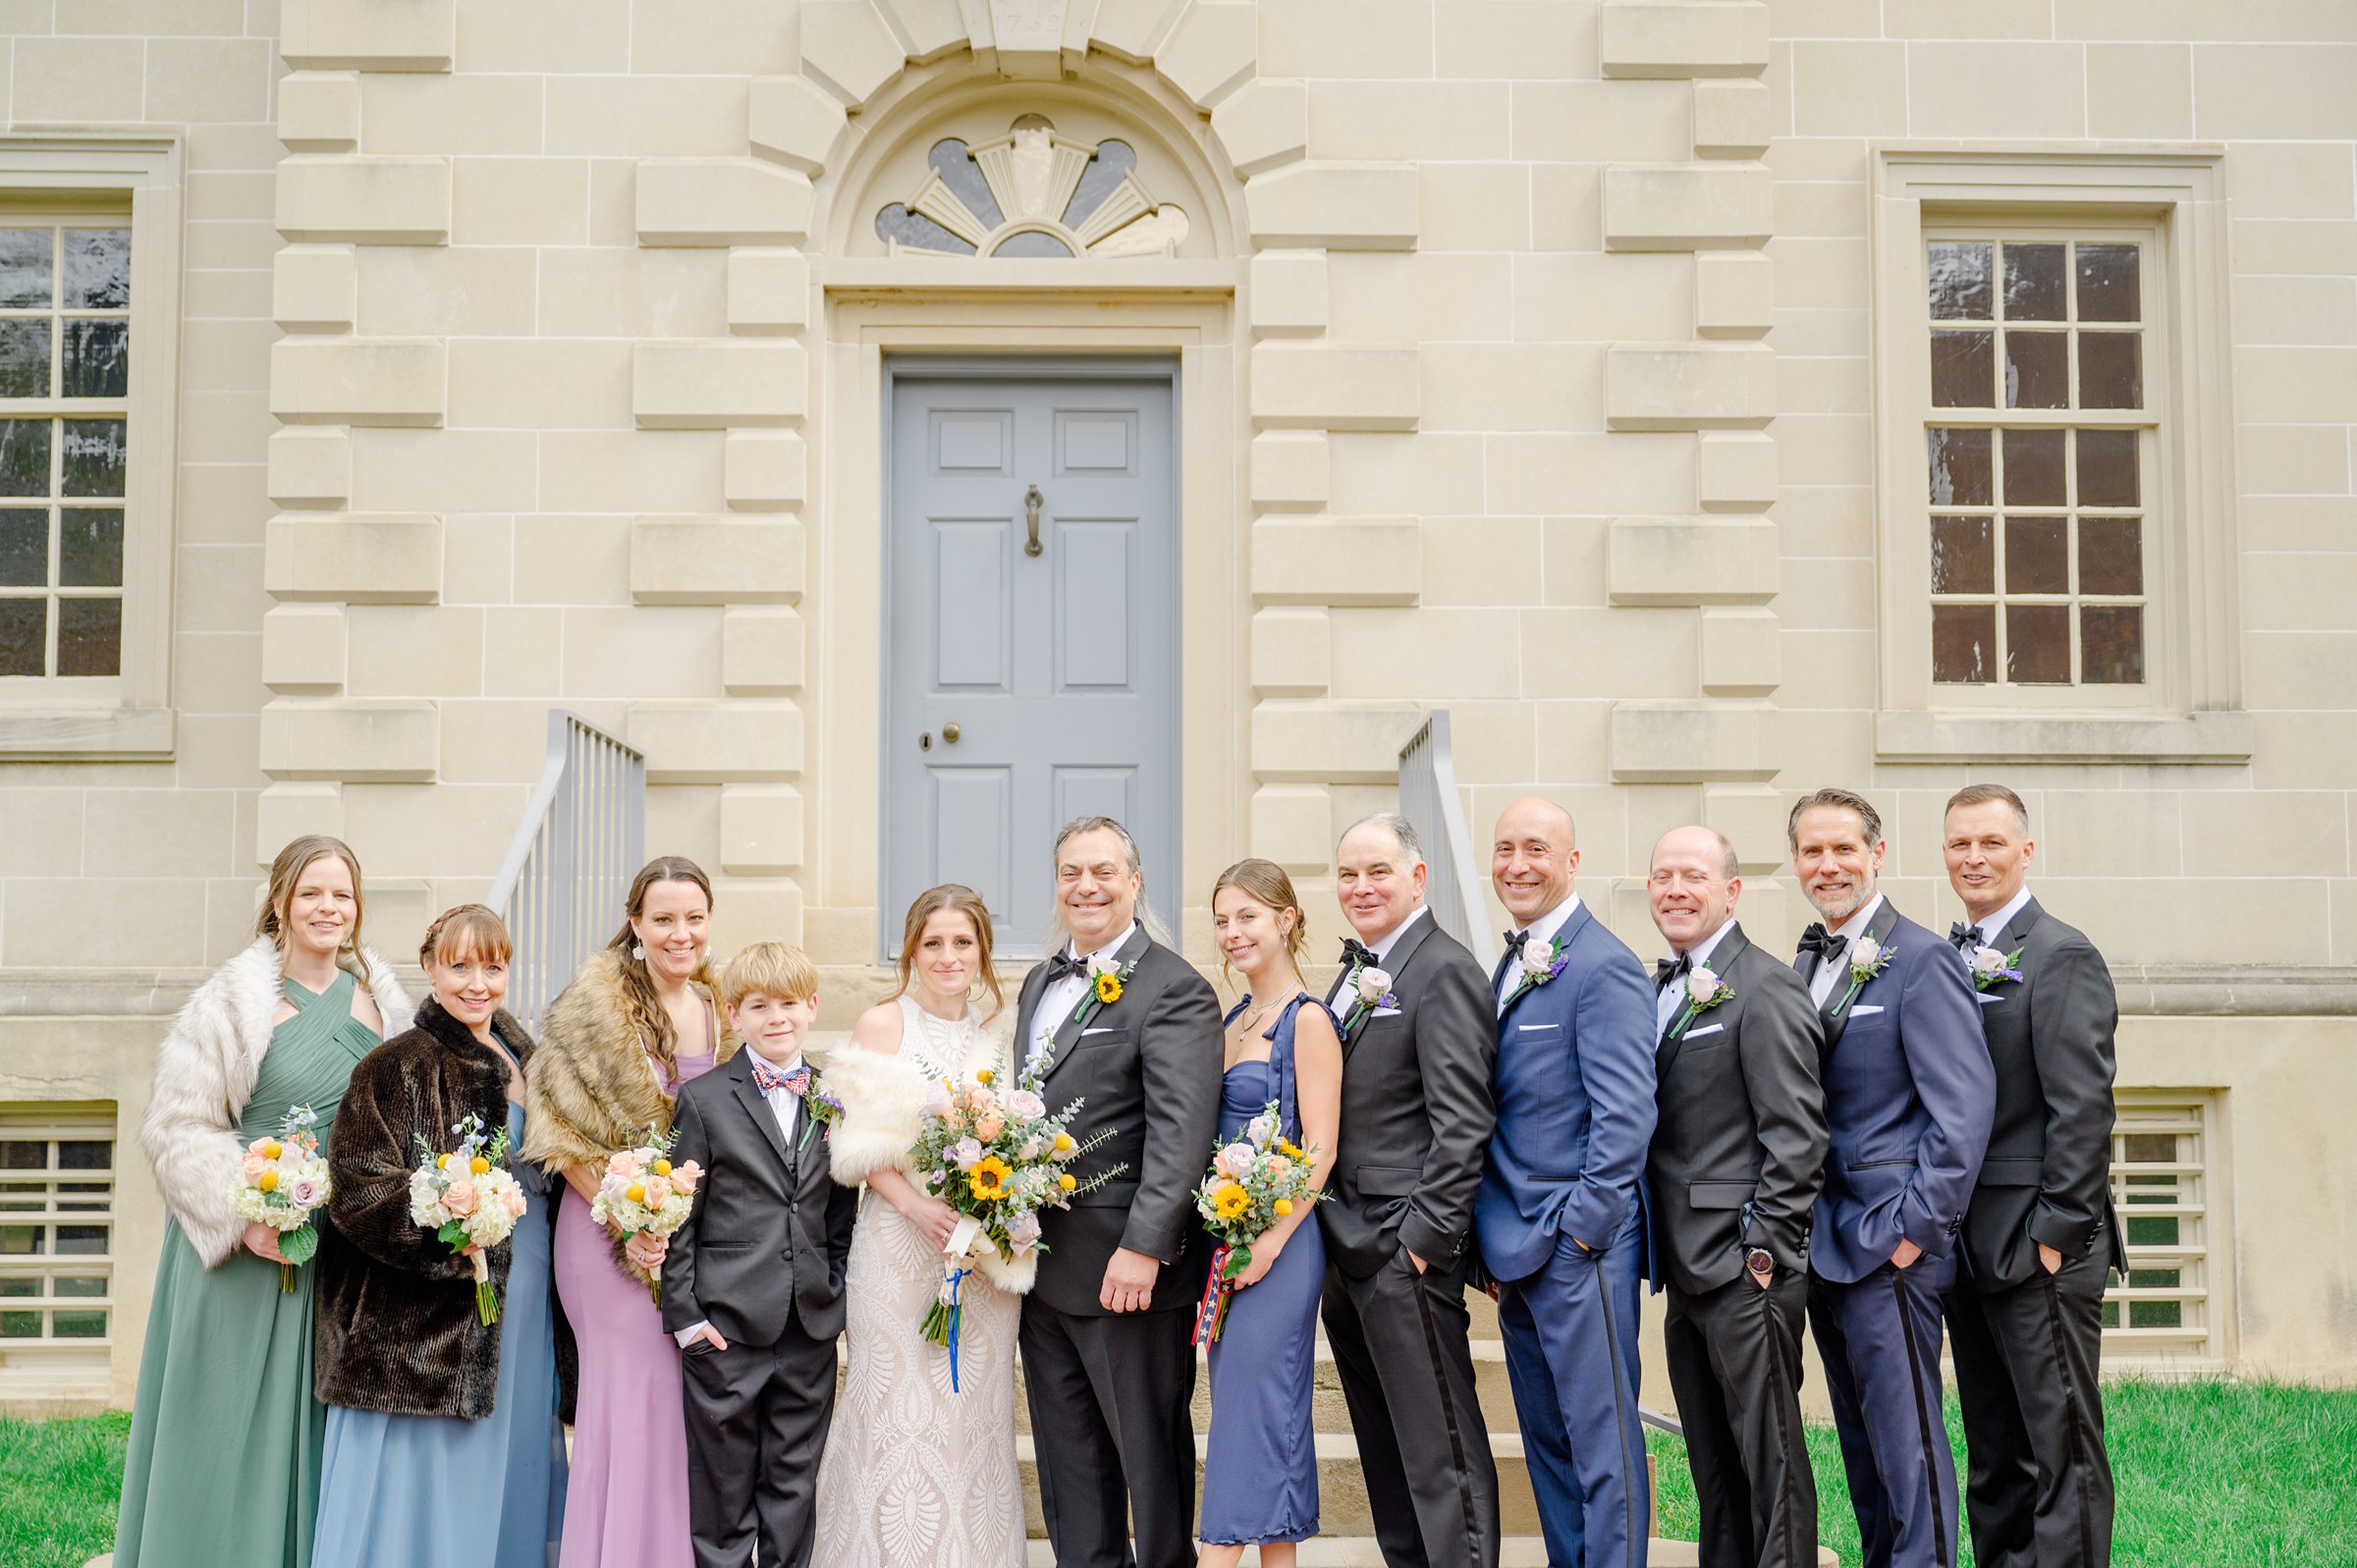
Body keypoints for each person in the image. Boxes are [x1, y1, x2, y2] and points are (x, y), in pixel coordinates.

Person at [114, 836, 410, 1568]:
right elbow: (178, 1127)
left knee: (320, 1428)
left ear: (358, 907)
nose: (327, 907)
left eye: (341, 894)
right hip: (247, 1247)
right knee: (224, 1426)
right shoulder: (229, 1003)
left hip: (338, 1254)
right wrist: (246, 1213)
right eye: (311, 892)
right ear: (280, 900)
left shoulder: (383, 1005)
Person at [310, 904, 569, 1568]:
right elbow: (358, 1186)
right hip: (424, 1318)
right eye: (459, 965)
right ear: (428, 967)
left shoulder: (529, 1059)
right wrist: (445, 1233)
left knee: (512, 1444)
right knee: (432, 1470)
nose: (477, 982)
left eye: (493, 965)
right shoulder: (398, 1063)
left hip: (528, 1285)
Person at [1788, 787, 1994, 1568]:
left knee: (1909, 1454)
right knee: (1864, 1452)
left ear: (1876, 853)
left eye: (1844, 849)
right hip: (1824, 1245)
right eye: (1813, 850)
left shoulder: (1922, 958)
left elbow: (1963, 1112)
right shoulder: (1805, 959)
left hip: (1889, 1247)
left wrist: (1914, 1233)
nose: (1829, 864)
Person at [1013, 815, 1222, 1568]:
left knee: (1148, 1463)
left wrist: (1144, 1246)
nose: (1086, 885)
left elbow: (1182, 1131)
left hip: (1127, 1274)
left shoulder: (1174, 987)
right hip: (1044, 1269)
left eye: (1103, 871)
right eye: (1071, 871)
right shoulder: (1039, 980)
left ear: (1134, 883)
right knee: (1071, 1469)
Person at [524, 856, 736, 1568]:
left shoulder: (719, 1005)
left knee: (679, 1412)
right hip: (605, 1237)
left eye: (694, 917)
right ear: (636, 922)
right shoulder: (594, 1009)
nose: (682, 933)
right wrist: (630, 1218)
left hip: (694, 1242)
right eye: (665, 918)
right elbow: (557, 1129)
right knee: (630, 1407)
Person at [1941, 784, 2125, 1568]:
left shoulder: (2061, 953)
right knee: (1995, 1453)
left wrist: (2054, 1237)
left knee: (2063, 1453)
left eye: (1989, 842)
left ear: (2026, 849)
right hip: (1969, 1246)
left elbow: (2082, 1111)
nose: (1973, 857)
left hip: (2038, 1246)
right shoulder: (1946, 955)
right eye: (1959, 844)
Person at [814, 886, 1025, 1568]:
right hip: (899, 1249)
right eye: (932, 942)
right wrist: (917, 1206)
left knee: (972, 1415)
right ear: (911, 950)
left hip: (981, 1254)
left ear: (983, 951)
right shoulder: (883, 1023)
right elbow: (856, 1146)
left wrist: (991, 1212)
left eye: (962, 942)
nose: (947, 956)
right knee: (895, 1411)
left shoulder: (997, 1033)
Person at [1474, 798, 1658, 1568]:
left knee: (1603, 1442)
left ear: (1572, 861)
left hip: (1579, 1246)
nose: (1518, 864)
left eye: (1537, 849)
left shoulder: (1604, 964)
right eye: (1506, 848)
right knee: (1547, 1443)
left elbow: (1625, 1116)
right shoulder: (1511, 959)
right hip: (1515, 1245)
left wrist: (1583, 1230)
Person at [1317, 813, 1501, 1568]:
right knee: (1386, 1453)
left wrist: (1424, 1243)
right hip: (1344, 1248)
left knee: (1440, 1453)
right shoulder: (1357, 969)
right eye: (1349, 874)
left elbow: (1464, 1121)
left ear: (1418, 876)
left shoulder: (1444, 968)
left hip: (1403, 1248)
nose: (1361, 887)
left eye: (1378, 871)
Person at [1644, 827, 1828, 1568]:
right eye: (1662, 876)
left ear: (1732, 889)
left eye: (1693, 874)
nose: (1675, 888)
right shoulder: (1667, 986)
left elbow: (1798, 1134)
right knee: (1714, 1469)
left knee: (1772, 1465)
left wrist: (1763, 1251)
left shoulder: (1764, 985)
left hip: (1743, 1269)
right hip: (1687, 1273)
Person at [663, 942, 860, 1568]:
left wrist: (831, 1286)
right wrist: (687, 1316)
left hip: (807, 1325)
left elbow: (838, 1211)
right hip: (725, 1325)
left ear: (812, 1007)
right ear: (732, 1014)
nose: (776, 1018)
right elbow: (678, 1216)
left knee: (794, 1485)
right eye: (759, 1006)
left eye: (789, 1004)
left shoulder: (833, 1097)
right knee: (722, 1493)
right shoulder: (703, 1099)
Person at [1198, 858, 1343, 1566]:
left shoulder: (1307, 1020)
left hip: (1279, 1249)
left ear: (1286, 919)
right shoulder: (1233, 1019)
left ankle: (1215, 1556)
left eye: (1247, 915)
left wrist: (1271, 1241)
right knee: (1255, 1415)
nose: (1232, 932)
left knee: (1251, 1417)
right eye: (1222, 919)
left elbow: (1319, 1150)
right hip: (1230, 1242)